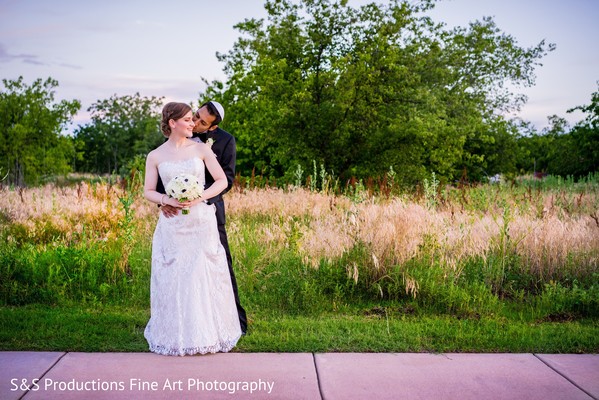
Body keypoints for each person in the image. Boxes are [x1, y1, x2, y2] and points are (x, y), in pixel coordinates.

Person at [143, 102, 241, 356]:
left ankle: (206, 331)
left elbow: (222, 180)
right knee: (175, 275)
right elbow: (149, 191)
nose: (192, 124)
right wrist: (166, 200)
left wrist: (200, 197)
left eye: (194, 120)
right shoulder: (155, 156)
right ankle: (174, 332)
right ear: (172, 123)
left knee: (200, 274)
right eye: (187, 119)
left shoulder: (201, 150)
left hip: (201, 222)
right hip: (172, 225)